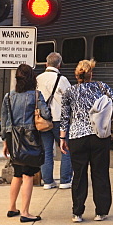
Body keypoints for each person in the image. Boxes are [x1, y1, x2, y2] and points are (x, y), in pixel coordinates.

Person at [59, 59, 113, 223]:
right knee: (100, 173)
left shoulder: (69, 92)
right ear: (91, 73)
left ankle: (77, 212)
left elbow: (65, 117)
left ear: (76, 74)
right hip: (99, 136)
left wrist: (62, 138)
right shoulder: (101, 86)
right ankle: (101, 211)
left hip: (77, 137)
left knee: (79, 175)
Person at [1, 63, 50, 223]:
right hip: (30, 138)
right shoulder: (36, 95)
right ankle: (26, 212)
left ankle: (12, 207)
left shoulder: (9, 96)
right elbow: (46, 114)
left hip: (13, 137)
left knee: (17, 173)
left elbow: (5, 120)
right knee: (28, 175)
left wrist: (5, 141)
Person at [35, 52, 72, 190]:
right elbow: (69, 99)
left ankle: (48, 182)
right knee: (65, 149)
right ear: (59, 64)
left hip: (43, 121)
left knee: (46, 151)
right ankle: (65, 181)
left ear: (46, 64)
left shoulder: (38, 79)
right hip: (59, 120)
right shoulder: (62, 80)